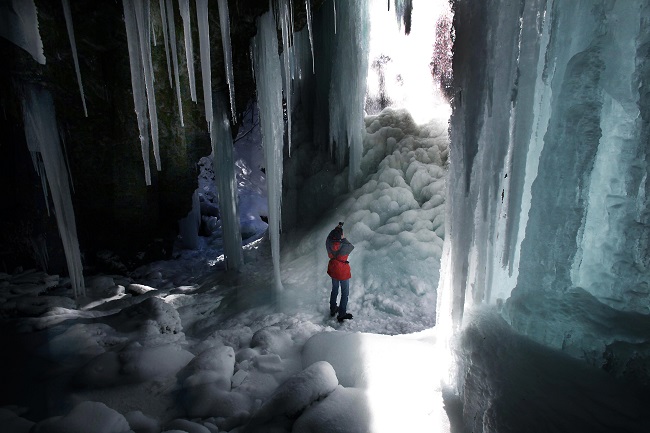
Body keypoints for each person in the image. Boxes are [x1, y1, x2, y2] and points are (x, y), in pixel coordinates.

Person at [326, 222, 355, 322]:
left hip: (333, 268)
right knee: (345, 292)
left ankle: (333, 308)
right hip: (342, 271)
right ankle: (342, 314)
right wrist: (342, 237)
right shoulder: (345, 246)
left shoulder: (329, 242)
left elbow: (329, 237)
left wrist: (336, 230)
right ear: (341, 236)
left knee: (334, 289)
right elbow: (351, 245)